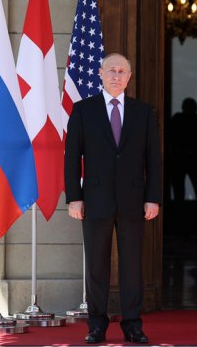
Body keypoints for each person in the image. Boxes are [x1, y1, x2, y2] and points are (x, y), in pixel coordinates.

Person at [65, 53, 161, 344]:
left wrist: (153, 197)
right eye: (111, 70)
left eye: (122, 71)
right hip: (95, 199)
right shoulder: (83, 110)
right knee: (96, 266)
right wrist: (74, 197)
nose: (116, 76)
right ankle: (96, 325)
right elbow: (72, 157)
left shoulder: (143, 112)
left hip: (134, 200)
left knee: (132, 266)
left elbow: (153, 159)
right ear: (100, 74)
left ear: (129, 77)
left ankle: (133, 325)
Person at [168, 97, 197, 203]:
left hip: (185, 160)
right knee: (187, 192)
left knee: (195, 191)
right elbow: (169, 139)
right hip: (183, 160)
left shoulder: (178, 120)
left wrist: (186, 152)